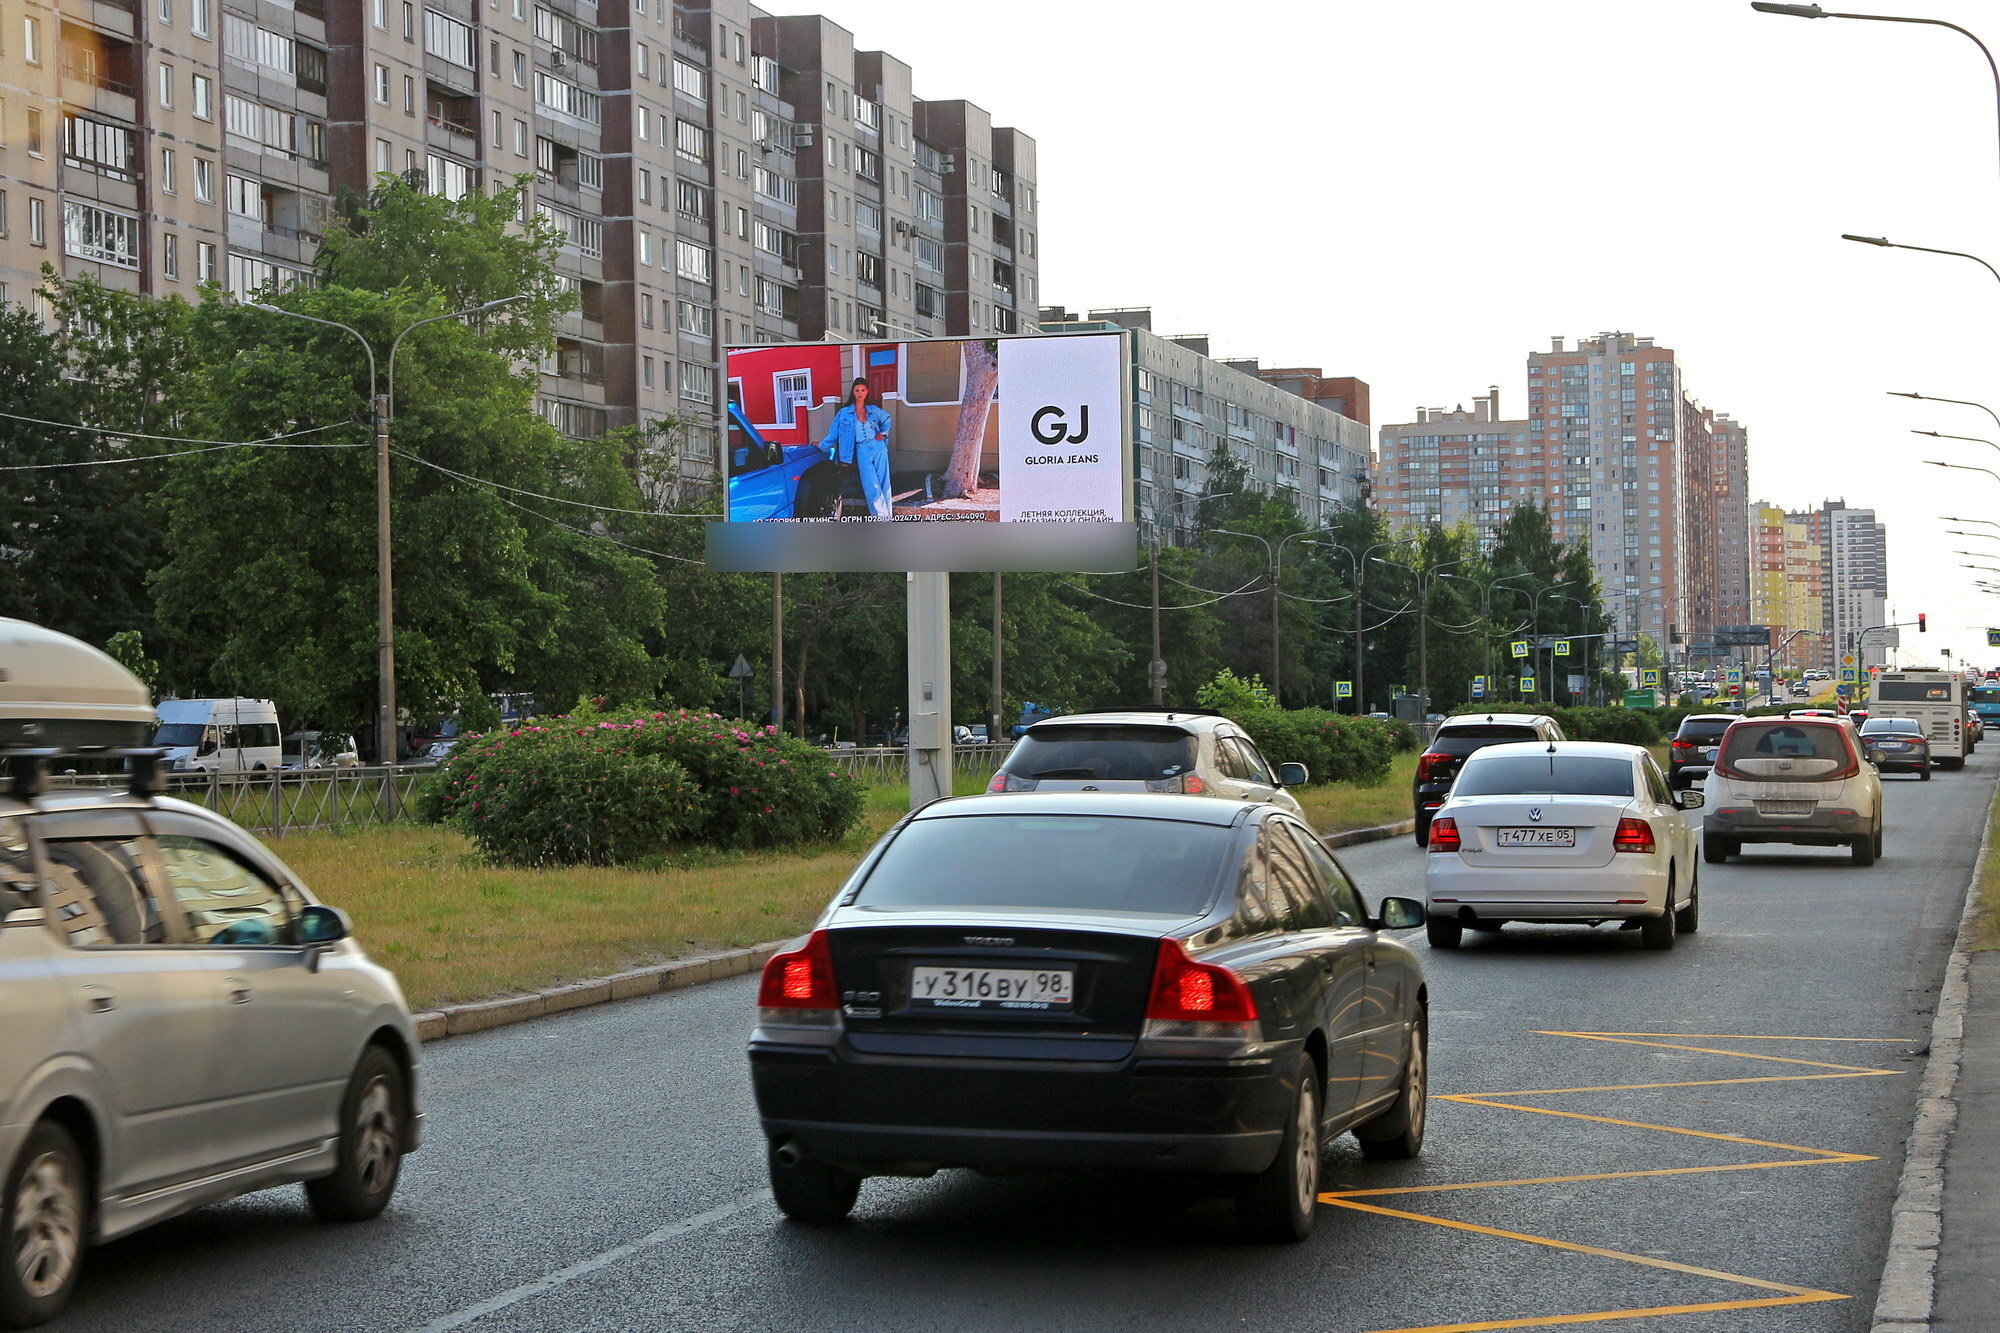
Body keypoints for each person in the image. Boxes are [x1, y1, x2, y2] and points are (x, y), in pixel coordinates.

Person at [818, 377, 894, 519]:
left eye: (863, 390)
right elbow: (834, 433)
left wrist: (883, 434)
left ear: (867, 392)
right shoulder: (844, 412)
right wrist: (821, 446)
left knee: (884, 482)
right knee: (871, 484)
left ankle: (888, 517)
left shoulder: (873, 410)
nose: (860, 393)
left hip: (878, 447)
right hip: (861, 449)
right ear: (853, 392)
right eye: (857, 390)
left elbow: (887, 419)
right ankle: (881, 518)